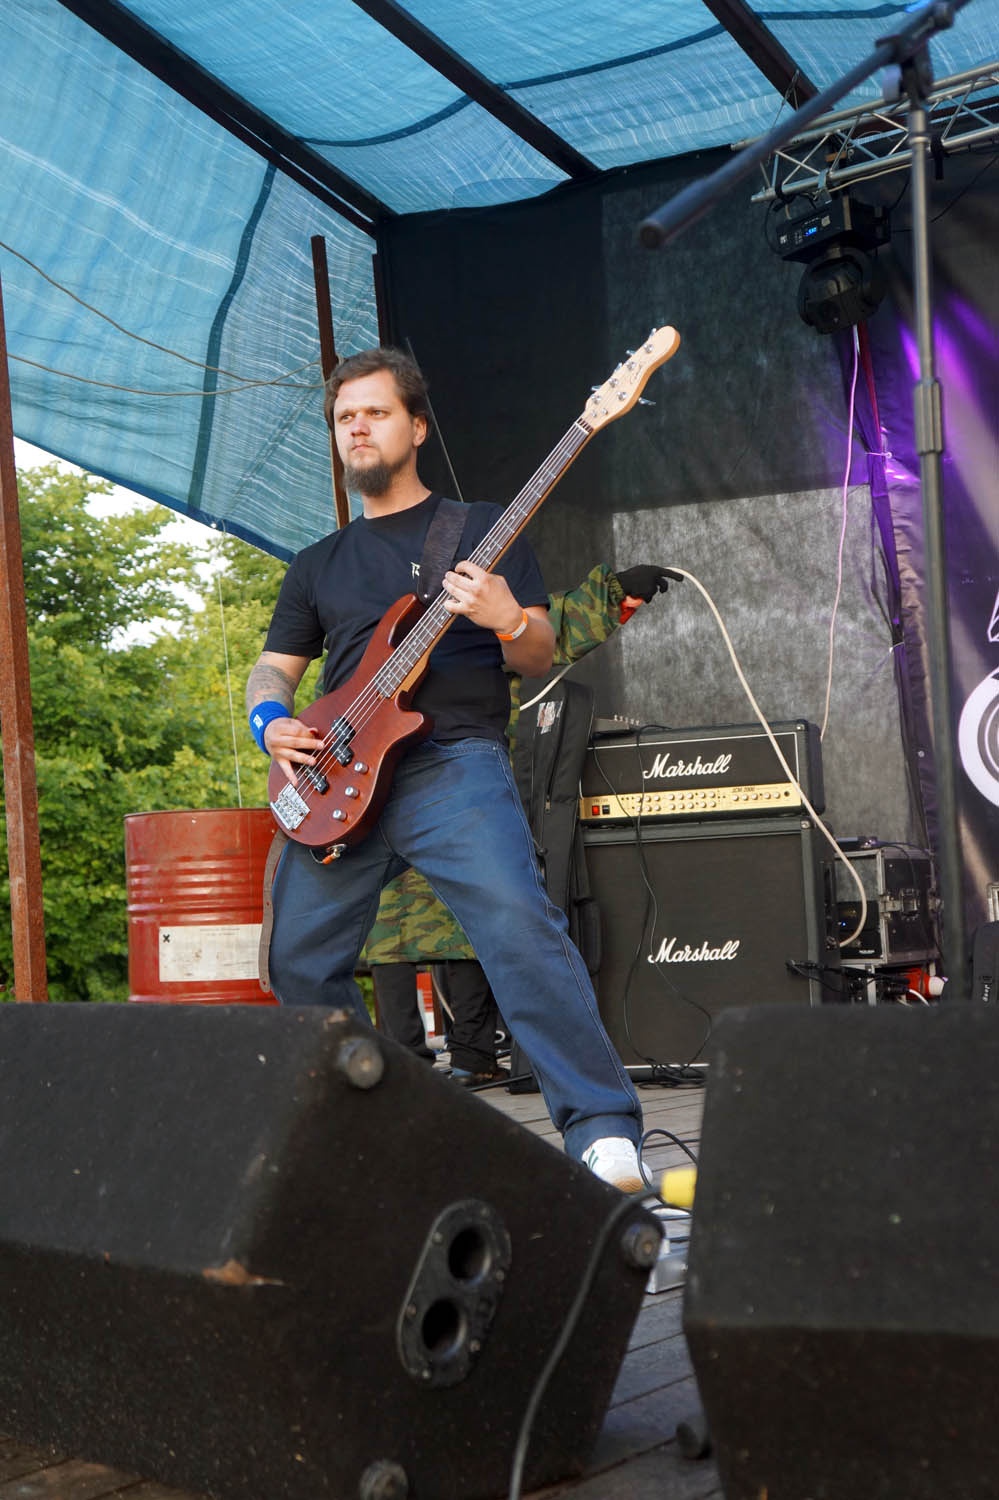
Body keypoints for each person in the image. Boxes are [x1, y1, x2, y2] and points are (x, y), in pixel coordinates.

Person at [246, 346, 644, 1191]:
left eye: (375, 411)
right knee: (296, 961)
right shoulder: (317, 564)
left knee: (516, 924)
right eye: (344, 416)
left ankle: (602, 1130)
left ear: (417, 427)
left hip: (450, 764)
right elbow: (273, 670)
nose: (357, 426)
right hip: (339, 775)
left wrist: (507, 618)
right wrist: (269, 722)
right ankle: (375, 1133)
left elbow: (536, 653)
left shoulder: (479, 529)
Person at [364, 561, 675, 1083]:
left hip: (458, 776)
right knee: (398, 922)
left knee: (467, 916)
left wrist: (616, 591)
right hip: (386, 779)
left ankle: (469, 1056)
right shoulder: (372, 612)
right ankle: (409, 1064)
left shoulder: (473, 604)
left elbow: (545, 627)